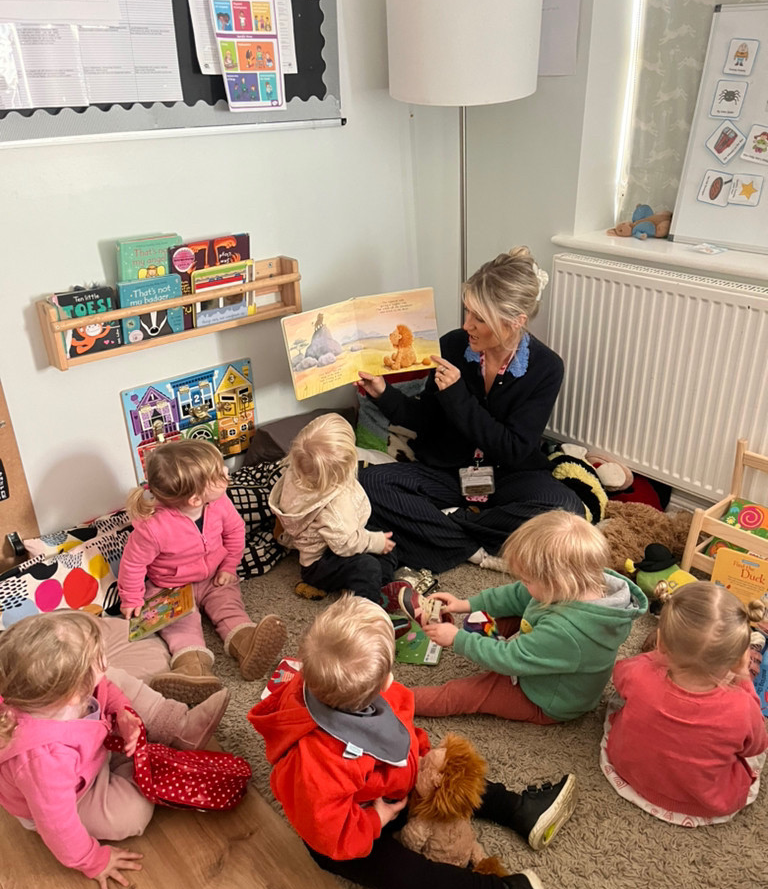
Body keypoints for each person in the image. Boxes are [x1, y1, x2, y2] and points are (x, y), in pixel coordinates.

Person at [248, 593, 576, 889]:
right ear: (384, 680)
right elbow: (327, 830)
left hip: (391, 782)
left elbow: (401, 728)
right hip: (350, 825)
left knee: (447, 773)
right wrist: (376, 818)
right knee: (405, 877)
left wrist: (420, 755)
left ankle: (517, 808)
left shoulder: (364, 692)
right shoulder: (314, 764)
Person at [357, 247, 583, 574]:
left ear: (515, 322)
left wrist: (459, 396)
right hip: (450, 471)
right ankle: (475, 549)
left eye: (479, 318)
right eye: (467, 312)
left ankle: (444, 526)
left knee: (567, 510)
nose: (467, 325)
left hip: (508, 475)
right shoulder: (452, 346)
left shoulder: (546, 368)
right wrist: (382, 394)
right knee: (369, 484)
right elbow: (425, 421)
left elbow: (515, 449)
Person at [0, 610, 229, 889]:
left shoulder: (60, 693)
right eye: (97, 657)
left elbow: (105, 688)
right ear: (73, 694)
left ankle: (178, 726)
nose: (104, 660)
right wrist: (93, 860)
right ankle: (142, 766)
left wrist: (122, 712)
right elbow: (58, 826)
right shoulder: (42, 761)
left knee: (117, 678)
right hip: (75, 797)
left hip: (93, 752)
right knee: (131, 817)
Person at [412, 510, 647, 722]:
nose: (522, 584)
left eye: (527, 580)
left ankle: (397, 700)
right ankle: (485, 641)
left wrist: (457, 640)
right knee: (489, 615)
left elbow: (511, 658)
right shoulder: (583, 580)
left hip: (546, 701)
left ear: (556, 584)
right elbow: (516, 595)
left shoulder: (566, 631)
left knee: (463, 694)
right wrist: (466, 604)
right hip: (549, 649)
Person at [119, 440, 286, 704]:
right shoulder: (153, 528)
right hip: (169, 587)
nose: (227, 473)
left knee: (229, 605)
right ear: (195, 498)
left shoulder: (219, 504)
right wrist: (131, 598)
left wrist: (230, 566)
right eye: (219, 474)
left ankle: (247, 642)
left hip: (213, 577)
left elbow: (235, 532)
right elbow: (133, 564)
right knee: (182, 626)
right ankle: (192, 669)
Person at [601, 581, 768, 825]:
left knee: (622, 700)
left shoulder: (639, 672)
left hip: (628, 772)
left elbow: (619, 676)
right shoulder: (742, 707)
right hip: (704, 802)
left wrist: (651, 661)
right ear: (737, 661)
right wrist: (744, 682)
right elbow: (755, 747)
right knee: (751, 754)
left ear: (660, 644)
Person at [268, 413, 399, 603]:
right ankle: (366, 608)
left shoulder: (297, 469)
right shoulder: (334, 505)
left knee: (386, 542)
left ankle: (382, 585)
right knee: (369, 566)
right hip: (320, 564)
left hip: (330, 541)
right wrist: (375, 542)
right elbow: (344, 544)